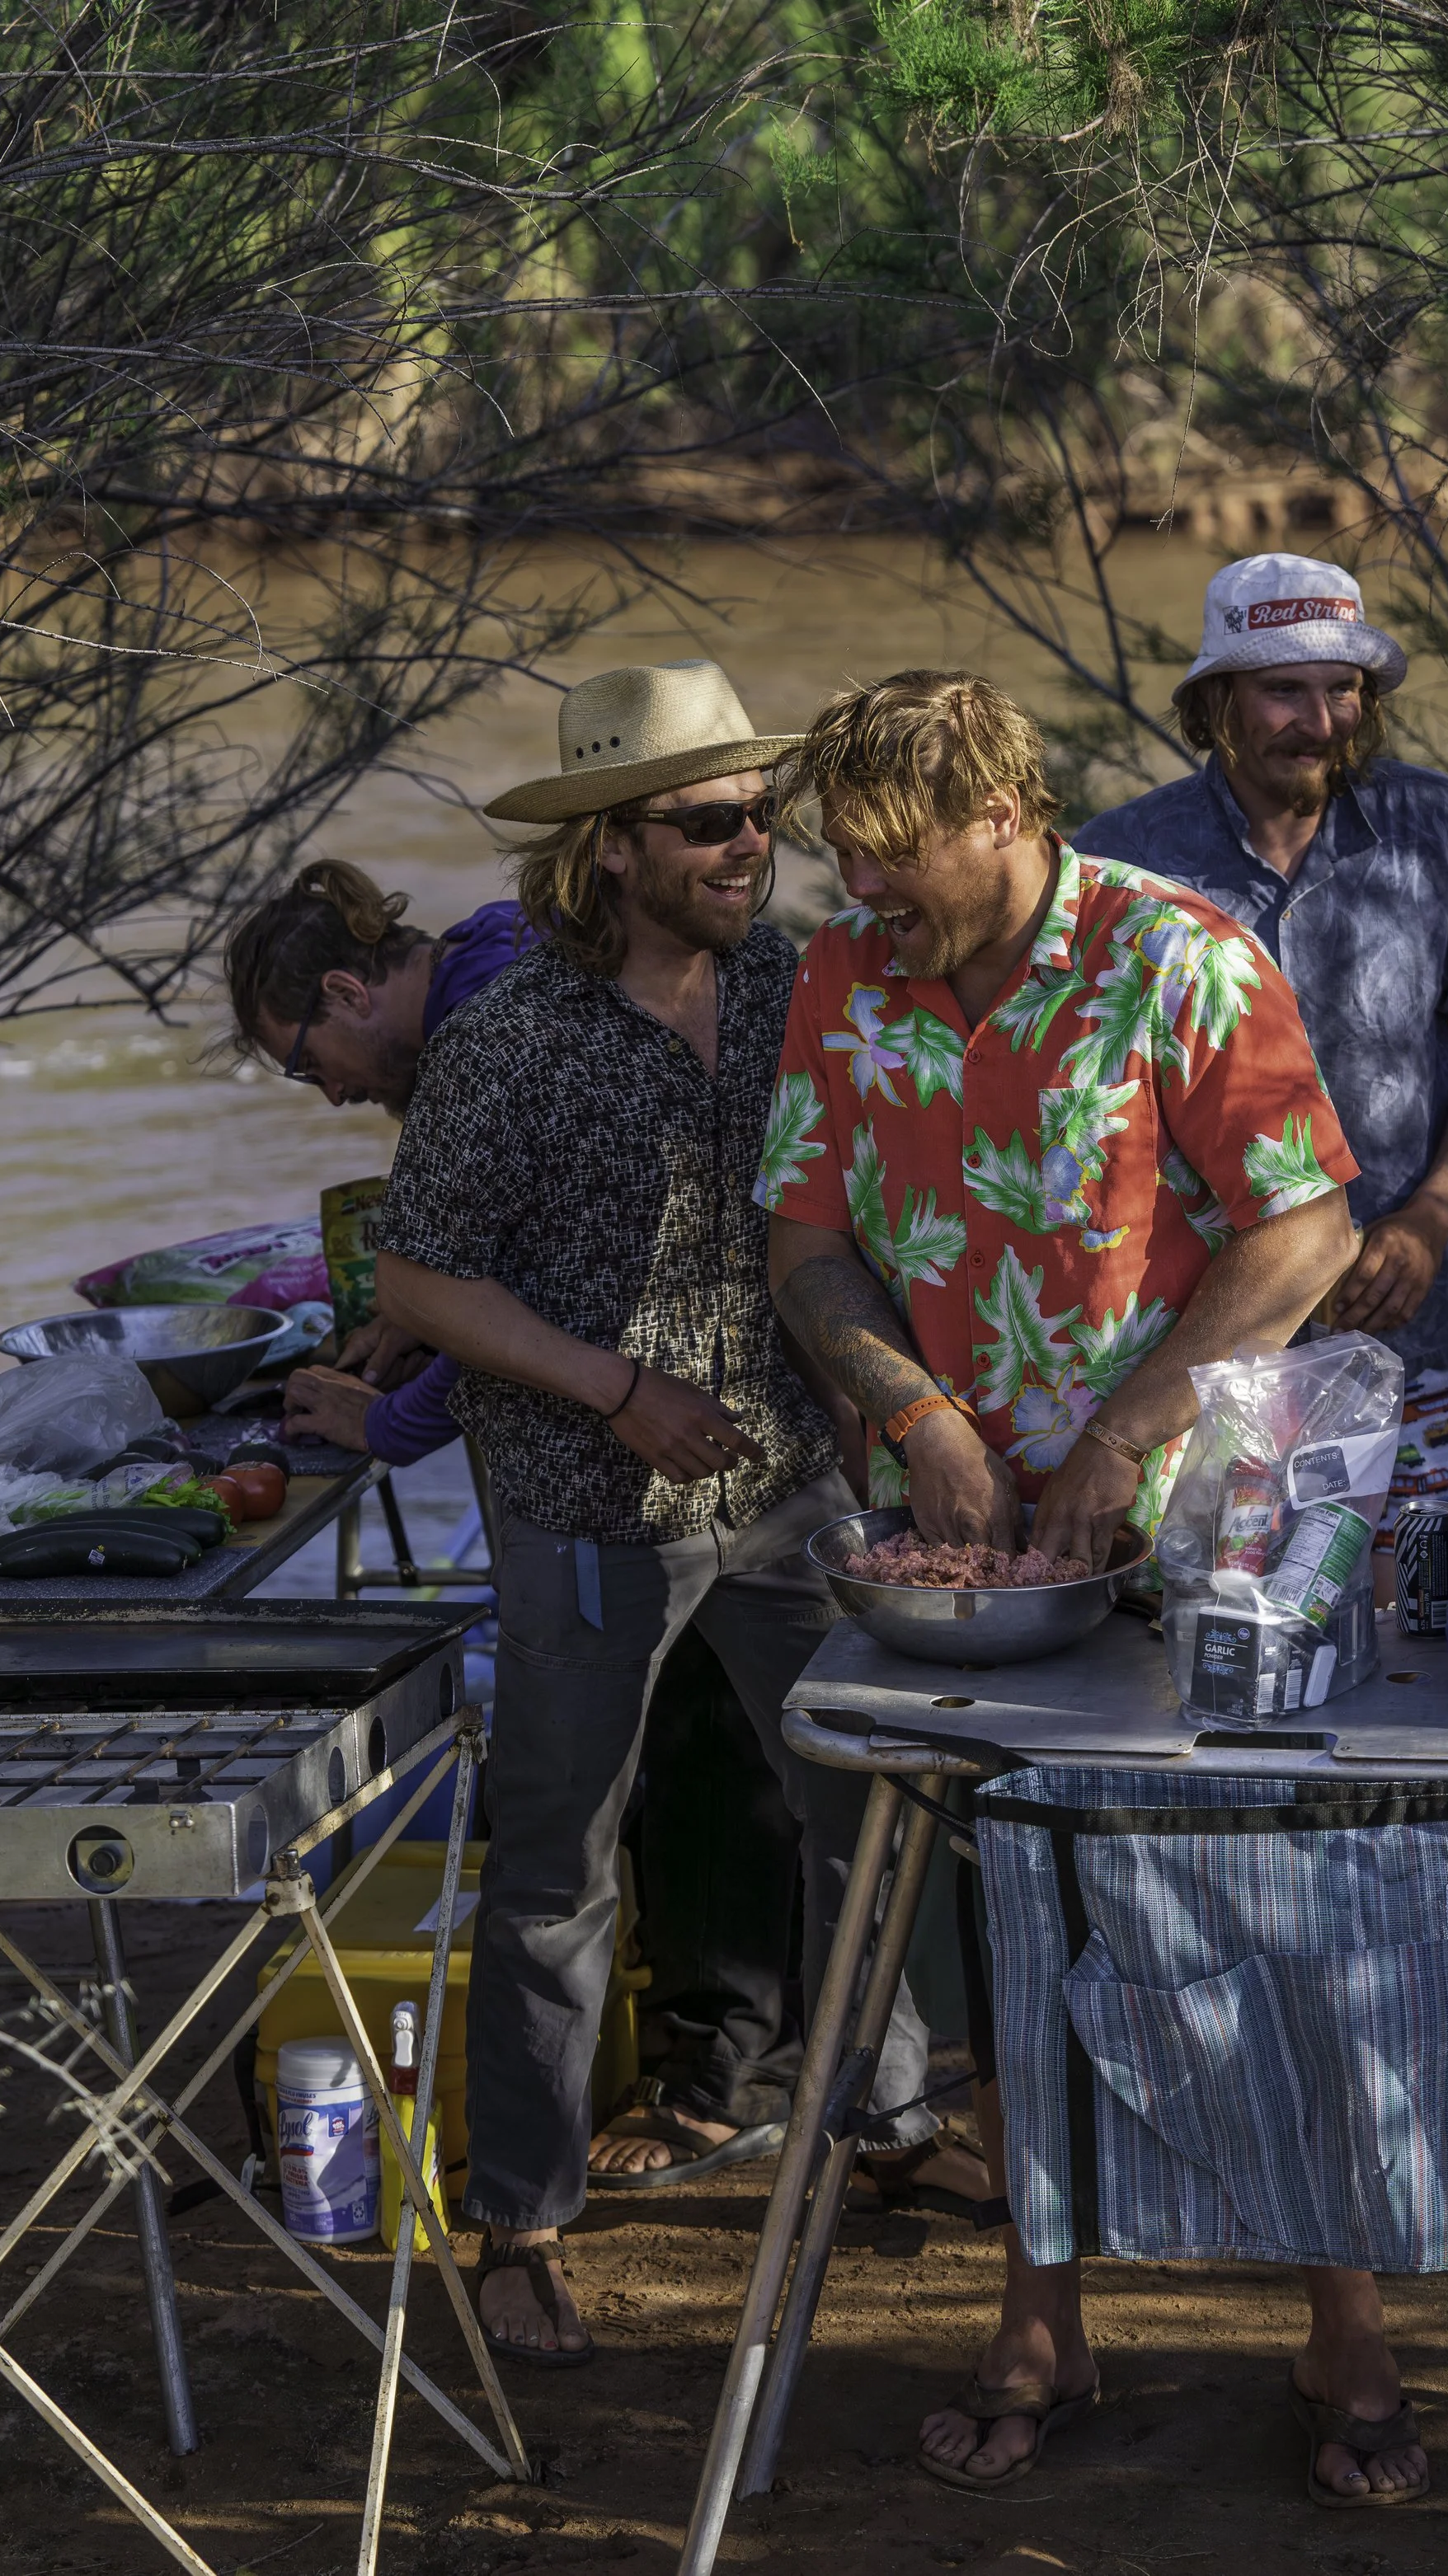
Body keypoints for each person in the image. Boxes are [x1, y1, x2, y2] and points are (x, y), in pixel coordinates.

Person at [759, 670, 1431, 2508]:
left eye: (890, 854)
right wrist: (908, 1409)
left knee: (1258, 1906)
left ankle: (1339, 2315)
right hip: (969, 1548)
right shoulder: (842, 976)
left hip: (1204, 1521)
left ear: (998, 807)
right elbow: (804, 1240)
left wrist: (1126, 1431)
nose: (857, 887)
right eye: (840, 854)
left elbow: (1302, 1225)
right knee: (1011, 1927)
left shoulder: (1174, 955)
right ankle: (1039, 2309)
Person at [374, 659, 971, 2366]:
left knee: (866, 1816)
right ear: (609, 848)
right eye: (709, 819)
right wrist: (613, 1384)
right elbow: (416, 1273)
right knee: (559, 1868)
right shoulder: (509, 1041)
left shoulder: (802, 983)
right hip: (583, 1504)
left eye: (757, 812)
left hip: (791, 1482)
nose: (749, 841)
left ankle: (898, 2123)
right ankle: (523, 2221)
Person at [1073, 554, 1448, 1582]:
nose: (1319, 720)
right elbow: (1074, 1115)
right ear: (1217, 705)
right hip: (1191, 1359)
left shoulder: (1432, 828)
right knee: (1205, 1629)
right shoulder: (1121, 862)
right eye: (1284, 689)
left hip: (1402, 1332)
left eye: (1342, 690)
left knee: (1403, 1626)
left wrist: (1430, 1216)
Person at [223, 858, 541, 1467]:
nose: (335, 1095)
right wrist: (425, 1320)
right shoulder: (494, 937)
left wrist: (384, 1423)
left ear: (345, 992)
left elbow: (539, 1291)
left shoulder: (486, 1028)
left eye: (311, 1064)